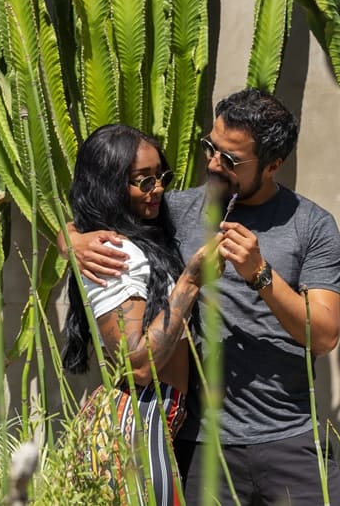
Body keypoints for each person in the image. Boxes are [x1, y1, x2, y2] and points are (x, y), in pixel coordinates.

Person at [63, 89, 340, 504]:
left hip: (289, 437)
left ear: (273, 165)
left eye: (230, 159)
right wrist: (71, 240)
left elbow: (323, 336)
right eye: (210, 148)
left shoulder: (311, 226)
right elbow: (99, 212)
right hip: (198, 444)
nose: (213, 164)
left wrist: (261, 274)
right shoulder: (175, 209)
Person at [62, 123, 222, 506]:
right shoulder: (116, 253)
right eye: (144, 181)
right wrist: (190, 283)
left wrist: (69, 236)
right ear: (110, 186)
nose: (158, 189)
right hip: (137, 425)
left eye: (161, 176)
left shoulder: (139, 236)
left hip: (153, 422)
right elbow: (137, 365)